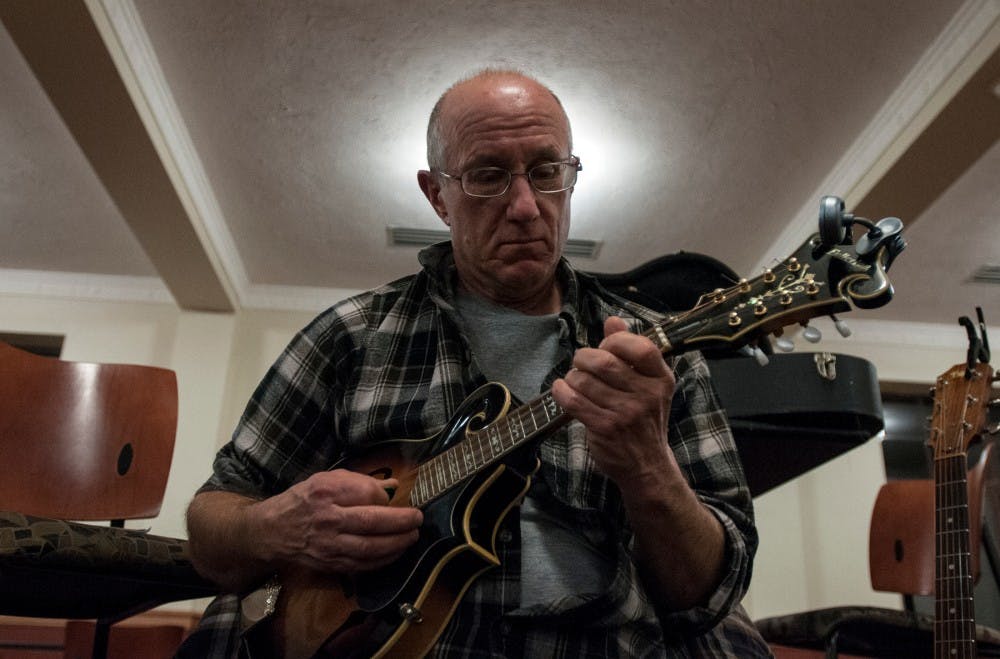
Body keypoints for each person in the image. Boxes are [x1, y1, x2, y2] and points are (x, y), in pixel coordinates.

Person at [176, 69, 771, 658]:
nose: (525, 207)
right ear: (437, 195)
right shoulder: (350, 335)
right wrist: (278, 525)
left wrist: (648, 468)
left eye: (547, 173)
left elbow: (709, 595)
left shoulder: (649, 356)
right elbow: (211, 522)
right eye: (488, 176)